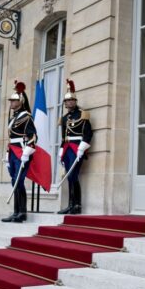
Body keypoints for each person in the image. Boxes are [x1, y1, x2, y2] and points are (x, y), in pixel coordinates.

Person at [3, 80, 37, 223]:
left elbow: (33, 136)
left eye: (14, 100)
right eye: (11, 100)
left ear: (21, 101)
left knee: (19, 181)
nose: (11, 102)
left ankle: (22, 212)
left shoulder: (26, 117)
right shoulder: (13, 118)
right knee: (14, 181)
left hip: (22, 152)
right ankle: (16, 211)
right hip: (13, 151)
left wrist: (26, 152)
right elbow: (11, 137)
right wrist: (6, 154)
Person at [58, 79, 93, 214]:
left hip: (77, 148)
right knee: (69, 175)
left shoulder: (82, 114)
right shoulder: (65, 118)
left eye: (71, 100)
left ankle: (77, 205)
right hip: (67, 148)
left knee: (73, 175)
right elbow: (63, 136)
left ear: (75, 101)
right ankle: (70, 204)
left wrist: (81, 148)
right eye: (67, 101)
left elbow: (88, 133)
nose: (69, 102)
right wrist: (61, 150)